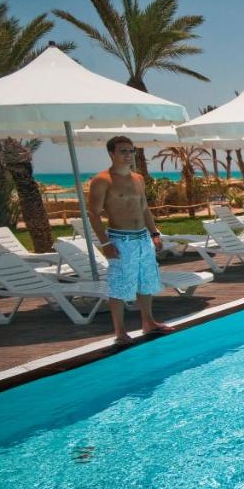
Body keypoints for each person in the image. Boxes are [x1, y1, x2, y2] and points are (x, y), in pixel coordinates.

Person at [87, 136, 174, 344]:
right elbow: (93, 214)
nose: (129, 155)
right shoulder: (102, 180)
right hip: (121, 239)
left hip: (142, 237)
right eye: (123, 151)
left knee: (146, 281)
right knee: (119, 285)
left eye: (131, 151)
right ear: (111, 154)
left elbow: (144, 208)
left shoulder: (138, 179)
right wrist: (105, 243)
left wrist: (154, 234)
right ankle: (120, 332)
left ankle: (148, 322)